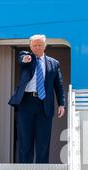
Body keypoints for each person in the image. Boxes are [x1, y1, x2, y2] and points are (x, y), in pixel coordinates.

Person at [8, 34, 66, 163]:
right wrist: (26, 58)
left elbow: (59, 85)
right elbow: (22, 58)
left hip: (44, 104)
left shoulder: (54, 63)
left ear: (45, 46)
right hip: (26, 103)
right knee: (25, 140)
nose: (37, 47)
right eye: (34, 45)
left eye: (40, 45)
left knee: (43, 142)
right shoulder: (26, 57)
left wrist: (62, 104)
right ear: (30, 46)